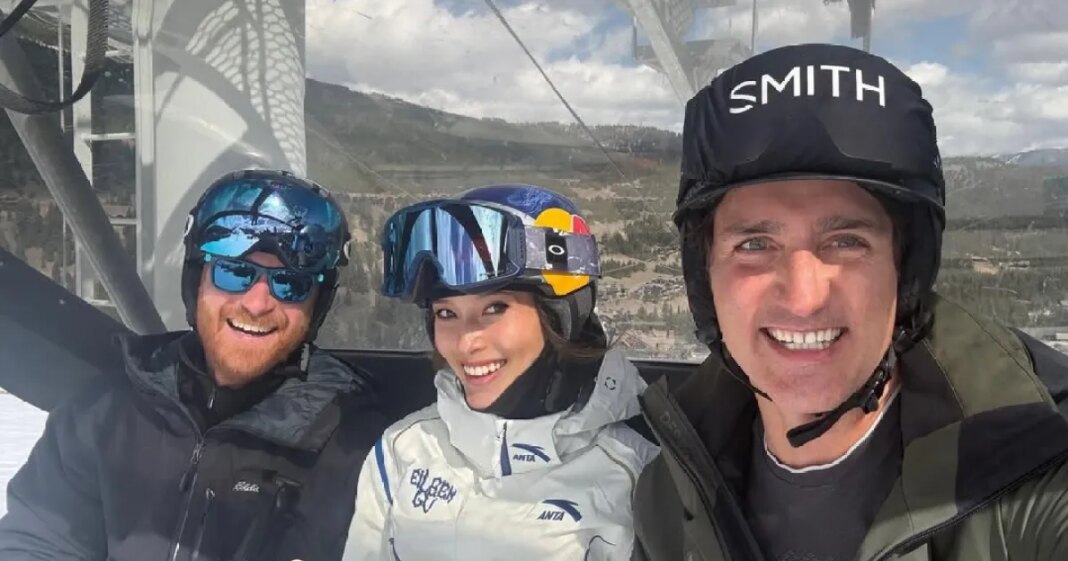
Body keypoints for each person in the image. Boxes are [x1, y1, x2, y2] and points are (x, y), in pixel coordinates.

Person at [631, 43, 1068, 561]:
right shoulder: (669, 493)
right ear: (706, 276)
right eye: (754, 244)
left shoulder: (1035, 471)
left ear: (903, 271)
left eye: (846, 241)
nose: (803, 296)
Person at [0, 169, 388, 561]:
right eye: (234, 273)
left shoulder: (358, 449)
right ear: (196, 282)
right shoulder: (110, 411)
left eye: (290, 284)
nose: (257, 304)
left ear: (315, 307)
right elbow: (41, 541)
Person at [344, 184, 659, 560]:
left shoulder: (637, 472)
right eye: (446, 313)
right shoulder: (404, 451)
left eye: (495, 308)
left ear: (559, 315)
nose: (466, 343)